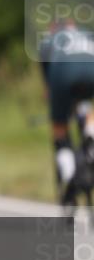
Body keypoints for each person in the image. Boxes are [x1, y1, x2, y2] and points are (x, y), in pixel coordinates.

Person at [39, 20, 94, 209]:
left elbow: (49, 88)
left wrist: (55, 104)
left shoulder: (49, 39)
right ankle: (90, 132)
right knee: (86, 106)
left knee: (59, 129)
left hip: (63, 74)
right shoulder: (86, 33)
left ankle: (69, 171)